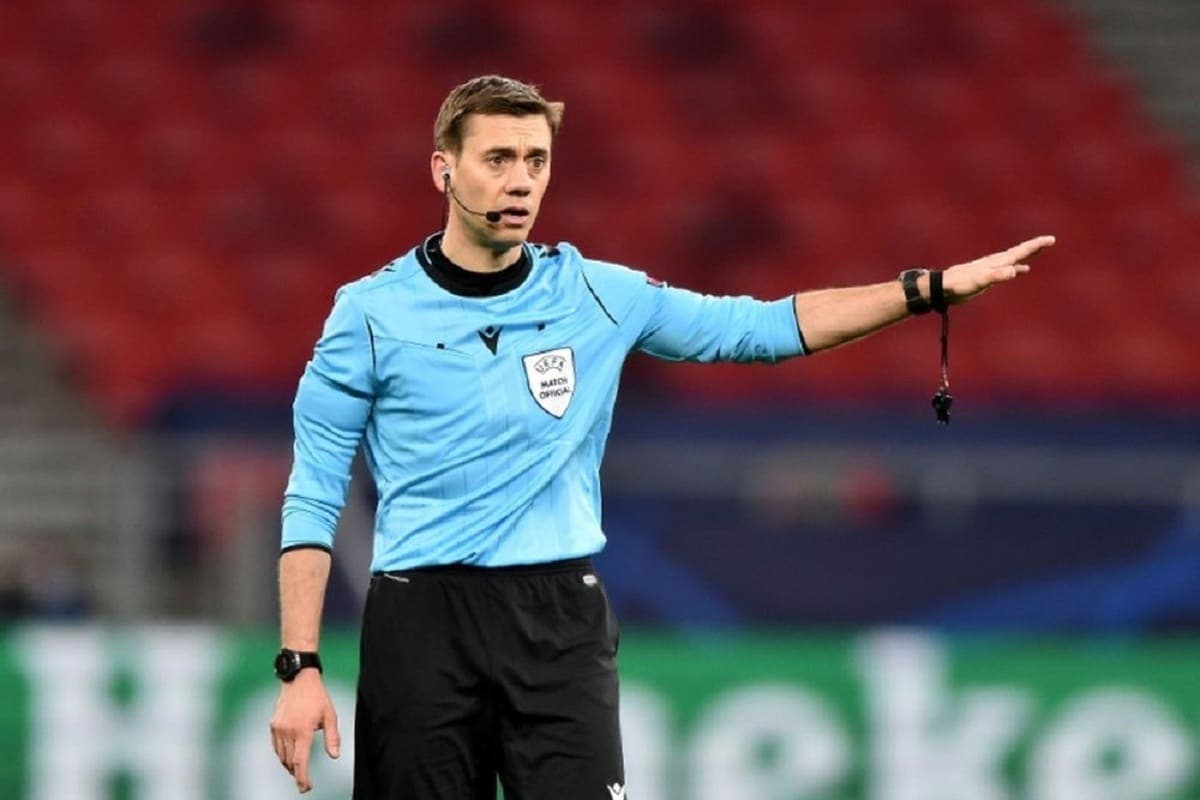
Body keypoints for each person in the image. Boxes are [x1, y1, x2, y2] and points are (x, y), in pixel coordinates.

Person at [269, 74, 1054, 798]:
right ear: (443, 169)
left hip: (557, 617)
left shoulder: (596, 293)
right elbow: (313, 490)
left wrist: (926, 291)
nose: (520, 181)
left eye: (537, 160)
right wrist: (300, 666)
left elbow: (759, 327)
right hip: (421, 618)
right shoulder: (369, 315)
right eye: (498, 158)